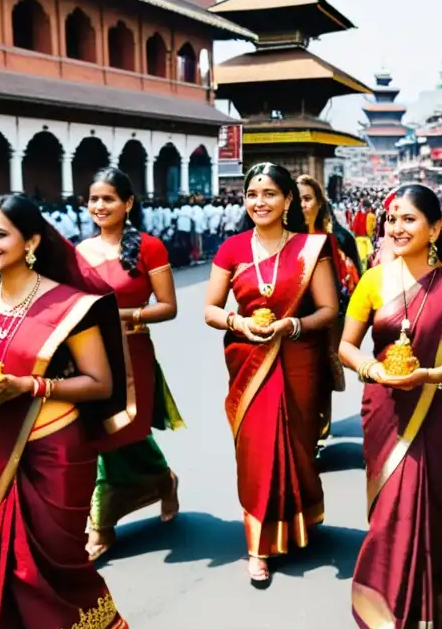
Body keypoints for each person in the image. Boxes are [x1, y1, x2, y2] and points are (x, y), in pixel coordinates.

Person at [0, 194, 134, 629]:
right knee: (11, 568)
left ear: (31, 240)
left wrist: (30, 386)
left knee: (60, 563)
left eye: (0, 234)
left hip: (57, 451)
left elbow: (100, 382)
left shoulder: (70, 305)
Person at [338, 183, 442, 629]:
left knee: (436, 504)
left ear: (436, 227)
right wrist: (371, 368)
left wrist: (432, 376)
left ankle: (431, 603)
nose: (397, 228)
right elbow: (345, 346)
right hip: (385, 406)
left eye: (410, 219)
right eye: (392, 219)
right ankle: (386, 603)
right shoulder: (373, 280)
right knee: (391, 509)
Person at [204, 163, 338, 587]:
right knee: (257, 451)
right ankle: (258, 545)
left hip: (297, 359)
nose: (259, 202)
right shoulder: (231, 248)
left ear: (287, 202)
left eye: (269, 194)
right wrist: (239, 324)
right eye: (252, 194)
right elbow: (210, 308)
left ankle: (298, 521)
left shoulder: (310, 247)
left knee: (297, 445)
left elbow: (327, 310)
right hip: (248, 360)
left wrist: (290, 326)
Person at [78, 168, 183, 560]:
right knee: (98, 439)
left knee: (124, 432)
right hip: (89, 357)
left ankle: (105, 523)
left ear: (128, 204)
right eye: (93, 199)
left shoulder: (149, 248)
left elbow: (168, 308)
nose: (99, 206)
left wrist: (125, 316)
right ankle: (153, 486)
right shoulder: (80, 252)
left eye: (108, 199)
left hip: (133, 354)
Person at [297, 174, 361, 447]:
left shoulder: (340, 238)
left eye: (308, 198)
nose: (302, 205)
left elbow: (356, 280)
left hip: (329, 317)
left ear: (320, 202)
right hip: (292, 317)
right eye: (296, 199)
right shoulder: (281, 237)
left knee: (323, 370)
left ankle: (319, 427)